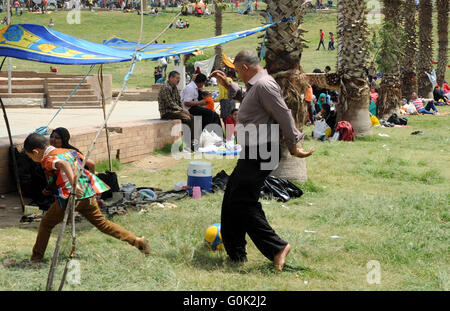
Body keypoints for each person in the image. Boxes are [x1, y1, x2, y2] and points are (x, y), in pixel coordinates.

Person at [210, 50, 314, 271]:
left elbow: (284, 113)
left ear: (245, 68)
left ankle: (278, 248)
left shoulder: (265, 85)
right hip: (252, 152)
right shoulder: (257, 86)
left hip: (262, 151)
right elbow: (249, 100)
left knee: (242, 202)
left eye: (237, 71)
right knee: (231, 200)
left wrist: (294, 144)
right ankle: (236, 254)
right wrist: (229, 86)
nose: (237, 75)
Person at [23, 133, 150, 264]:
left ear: (35, 152)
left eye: (30, 156)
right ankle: (137, 241)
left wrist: (74, 184)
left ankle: (36, 258)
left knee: (46, 223)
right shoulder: (70, 151)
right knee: (103, 223)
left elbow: (64, 164)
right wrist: (91, 177)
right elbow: (90, 163)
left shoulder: (48, 158)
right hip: (87, 193)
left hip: (71, 197)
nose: (32, 159)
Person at [181, 73, 222, 139]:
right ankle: (205, 134)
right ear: (201, 82)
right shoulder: (190, 88)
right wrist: (200, 102)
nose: (203, 85)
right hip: (188, 109)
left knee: (215, 115)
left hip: (194, 107)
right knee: (209, 113)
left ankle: (219, 135)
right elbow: (186, 103)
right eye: (204, 83)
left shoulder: (195, 88)